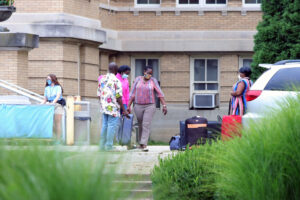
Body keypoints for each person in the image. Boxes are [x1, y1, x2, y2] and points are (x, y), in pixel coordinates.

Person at [127, 66, 167, 152]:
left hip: (150, 105)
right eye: (148, 73)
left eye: (151, 73)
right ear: (144, 71)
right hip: (138, 105)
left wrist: (164, 105)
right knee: (140, 124)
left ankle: (143, 143)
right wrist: (128, 106)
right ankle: (140, 143)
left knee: (146, 124)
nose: (149, 75)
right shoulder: (137, 79)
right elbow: (132, 93)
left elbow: (160, 93)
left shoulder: (153, 81)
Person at [98, 62, 129, 151]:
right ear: (115, 70)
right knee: (111, 126)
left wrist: (102, 104)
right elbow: (119, 97)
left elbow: (99, 94)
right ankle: (109, 146)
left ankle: (101, 146)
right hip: (113, 108)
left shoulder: (102, 79)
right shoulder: (116, 81)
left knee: (104, 126)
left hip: (104, 107)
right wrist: (124, 110)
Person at [42, 74, 64, 142]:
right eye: (47, 79)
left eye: (49, 79)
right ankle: (53, 138)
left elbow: (58, 96)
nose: (48, 80)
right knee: (51, 123)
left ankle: (58, 139)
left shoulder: (58, 87)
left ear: (53, 79)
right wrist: (41, 104)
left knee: (57, 122)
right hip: (49, 106)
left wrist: (53, 103)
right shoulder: (47, 88)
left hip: (57, 105)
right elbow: (45, 99)